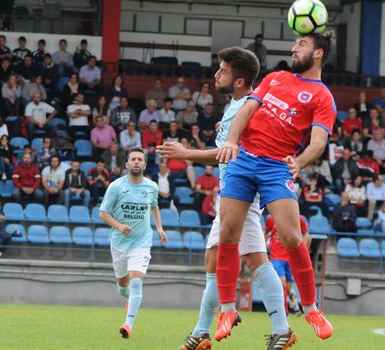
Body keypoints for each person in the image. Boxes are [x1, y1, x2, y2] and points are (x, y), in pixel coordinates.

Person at [157, 46, 303, 349]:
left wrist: (187, 154)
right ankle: (206, 329)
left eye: (222, 70)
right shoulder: (238, 106)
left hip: (241, 193)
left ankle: (277, 328)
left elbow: (226, 155)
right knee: (218, 260)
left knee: (253, 260)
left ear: (239, 80)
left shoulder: (244, 107)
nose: (215, 75)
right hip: (234, 192)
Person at [213, 32, 336, 343]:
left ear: (318, 53)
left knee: (292, 236)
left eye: (302, 45)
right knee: (228, 233)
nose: (294, 49)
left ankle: (311, 308)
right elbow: (246, 111)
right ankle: (227, 309)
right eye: (295, 44)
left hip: (276, 166)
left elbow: (319, 142)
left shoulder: (322, 96)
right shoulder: (275, 77)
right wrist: (231, 140)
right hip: (244, 160)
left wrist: (300, 161)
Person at [99, 147, 166, 339]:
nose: (136, 162)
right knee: (123, 285)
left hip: (142, 242)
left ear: (144, 164)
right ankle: (128, 299)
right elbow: (103, 213)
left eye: (140, 159)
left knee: (136, 282)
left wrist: (159, 228)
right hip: (119, 243)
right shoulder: (116, 186)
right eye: (133, 159)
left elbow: (154, 207)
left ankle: (128, 325)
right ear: (127, 164)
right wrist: (119, 226)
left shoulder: (151, 187)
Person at [265, 215, 310, 315]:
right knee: (282, 284)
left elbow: (307, 235)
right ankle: (285, 311)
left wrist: (301, 249)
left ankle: (293, 302)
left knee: (288, 286)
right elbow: (265, 232)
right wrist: (264, 250)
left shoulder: (299, 219)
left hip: (290, 258)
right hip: (276, 258)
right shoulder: (271, 219)